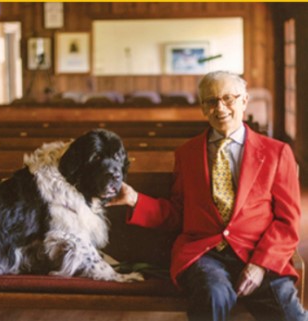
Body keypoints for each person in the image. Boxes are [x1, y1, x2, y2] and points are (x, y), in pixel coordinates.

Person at [108, 71, 307, 321]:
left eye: (228, 98)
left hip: (258, 251)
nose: (220, 107)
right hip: (205, 253)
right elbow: (179, 214)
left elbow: (287, 222)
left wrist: (260, 265)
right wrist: (136, 199)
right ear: (203, 108)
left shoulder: (277, 153)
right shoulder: (187, 154)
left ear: (244, 100)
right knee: (213, 295)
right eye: (211, 101)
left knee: (290, 314)